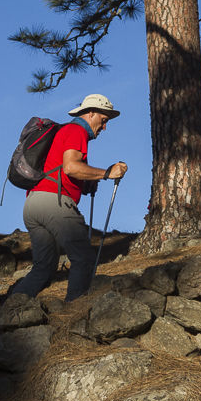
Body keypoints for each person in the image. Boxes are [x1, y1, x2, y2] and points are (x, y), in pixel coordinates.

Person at [10, 94, 127, 302]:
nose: (104, 127)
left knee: (43, 268)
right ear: (91, 113)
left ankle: (9, 309)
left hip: (33, 203)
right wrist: (107, 173)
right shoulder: (76, 131)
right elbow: (71, 167)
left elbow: (63, 170)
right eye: (104, 120)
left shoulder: (62, 132)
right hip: (54, 202)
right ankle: (75, 309)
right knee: (83, 258)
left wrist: (87, 182)